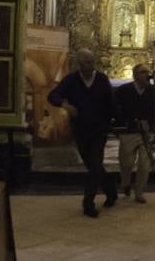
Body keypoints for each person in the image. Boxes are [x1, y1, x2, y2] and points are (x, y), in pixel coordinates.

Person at [48, 48, 118, 217]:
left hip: (99, 130)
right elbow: (53, 96)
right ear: (79, 64)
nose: (90, 66)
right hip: (80, 130)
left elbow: (111, 102)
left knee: (95, 165)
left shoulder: (101, 79)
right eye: (87, 62)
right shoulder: (71, 80)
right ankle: (111, 191)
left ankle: (88, 203)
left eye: (92, 62)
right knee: (93, 166)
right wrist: (65, 104)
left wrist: (114, 122)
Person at [116, 64, 155, 203]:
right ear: (135, 75)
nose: (147, 74)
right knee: (126, 162)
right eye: (143, 72)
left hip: (146, 133)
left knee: (145, 164)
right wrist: (127, 122)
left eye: (147, 72)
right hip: (129, 132)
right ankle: (126, 182)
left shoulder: (152, 90)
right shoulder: (123, 90)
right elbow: (116, 109)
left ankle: (139, 191)